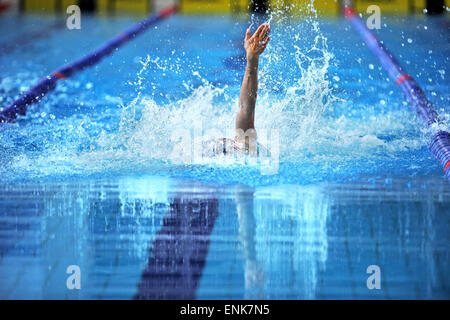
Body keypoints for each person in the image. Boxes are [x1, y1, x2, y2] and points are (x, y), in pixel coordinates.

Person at [206, 23, 271, 158]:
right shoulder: (245, 148)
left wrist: (252, 59)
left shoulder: (243, 148)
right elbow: (245, 108)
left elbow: (245, 109)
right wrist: (252, 60)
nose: (224, 140)